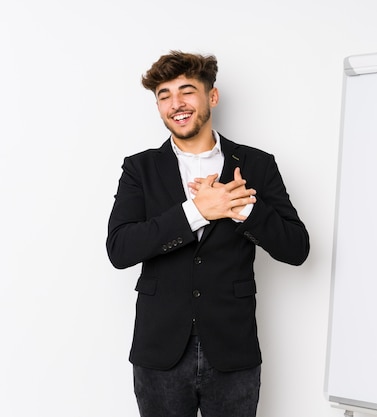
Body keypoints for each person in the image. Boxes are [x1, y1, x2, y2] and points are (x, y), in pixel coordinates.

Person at [106, 50, 310, 417]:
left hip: (233, 348)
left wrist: (242, 208)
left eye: (186, 91)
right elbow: (120, 249)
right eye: (164, 96)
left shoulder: (257, 164)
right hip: (160, 351)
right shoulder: (140, 168)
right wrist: (197, 212)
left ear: (211, 97)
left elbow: (296, 248)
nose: (176, 104)